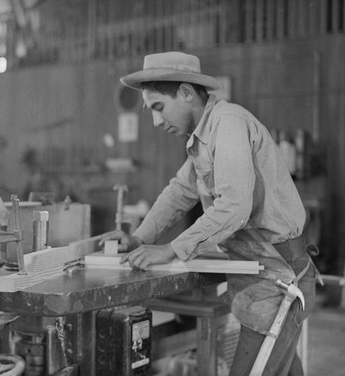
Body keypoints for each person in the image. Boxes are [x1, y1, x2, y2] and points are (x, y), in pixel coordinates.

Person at [100, 51, 317, 376]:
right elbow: (179, 191)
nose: (156, 122)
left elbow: (234, 206)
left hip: (279, 280)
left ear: (187, 92)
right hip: (259, 279)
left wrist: (171, 249)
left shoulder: (228, 123)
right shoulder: (204, 138)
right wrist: (138, 238)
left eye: (159, 107)